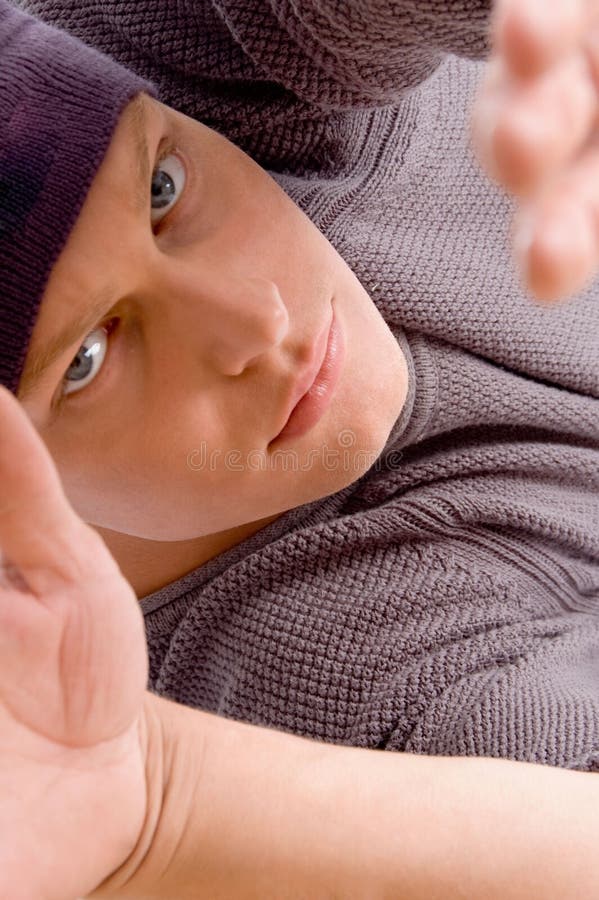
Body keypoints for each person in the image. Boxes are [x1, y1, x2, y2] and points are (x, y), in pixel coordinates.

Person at [0, 0, 597, 897]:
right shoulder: (353, 675)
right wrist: (165, 812)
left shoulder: (112, 77)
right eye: (85, 359)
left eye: (161, 192)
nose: (256, 318)